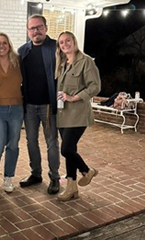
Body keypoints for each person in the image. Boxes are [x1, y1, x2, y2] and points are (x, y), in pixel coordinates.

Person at [55, 31, 101, 201]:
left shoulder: (86, 61)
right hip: (63, 115)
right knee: (70, 151)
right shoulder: (62, 63)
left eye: (68, 40)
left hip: (78, 114)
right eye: (61, 42)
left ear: (74, 41)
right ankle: (72, 188)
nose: (65, 44)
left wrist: (74, 97)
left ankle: (87, 171)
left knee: (66, 149)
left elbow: (95, 87)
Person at [18, 14, 60, 194]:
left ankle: (55, 178)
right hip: (29, 107)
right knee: (31, 141)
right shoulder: (22, 51)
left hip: (49, 105)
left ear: (46, 28)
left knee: (52, 142)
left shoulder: (56, 47)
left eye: (39, 27)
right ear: (28, 31)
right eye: (32, 28)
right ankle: (36, 174)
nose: (36, 31)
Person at [0, 32, 23, 193]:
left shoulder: (18, 61)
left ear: (9, 44)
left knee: (13, 145)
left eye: (4, 43)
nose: (1, 46)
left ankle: (8, 177)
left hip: (16, 108)